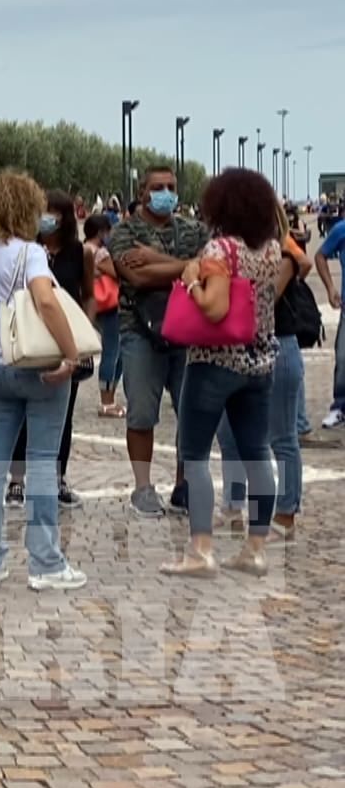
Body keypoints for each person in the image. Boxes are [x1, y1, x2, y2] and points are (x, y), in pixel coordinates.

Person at [0, 172, 87, 591]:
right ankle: (45, 562)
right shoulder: (30, 252)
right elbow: (46, 301)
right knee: (41, 461)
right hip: (36, 365)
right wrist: (71, 353)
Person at [161, 169, 283, 578]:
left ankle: (201, 550)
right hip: (259, 361)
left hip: (215, 361)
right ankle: (256, 548)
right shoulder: (271, 249)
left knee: (195, 455)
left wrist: (191, 282)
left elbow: (214, 308)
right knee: (257, 453)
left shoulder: (220, 249)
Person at [108, 165, 207, 517]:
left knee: (192, 412)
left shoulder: (194, 230)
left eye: (171, 187)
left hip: (189, 332)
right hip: (140, 330)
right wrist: (187, 266)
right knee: (141, 412)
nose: (166, 193)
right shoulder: (124, 232)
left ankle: (184, 485)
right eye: (157, 187)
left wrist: (156, 261)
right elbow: (136, 277)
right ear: (142, 193)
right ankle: (142, 487)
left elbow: (210, 267)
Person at [217, 213, 307, 536]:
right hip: (234, 348)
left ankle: (285, 512)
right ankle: (233, 504)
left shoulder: (283, 256)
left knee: (282, 436)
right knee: (228, 433)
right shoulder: (229, 254)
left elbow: (263, 302)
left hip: (276, 345)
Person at [8, 190, 97, 508]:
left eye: (53, 211)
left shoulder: (80, 252)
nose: (46, 217)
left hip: (65, 341)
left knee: (64, 413)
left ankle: (58, 478)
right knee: (22, 414)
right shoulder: (25, 250)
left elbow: (89, 294)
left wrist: (86, 331)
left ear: (66, 217)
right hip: (31, 339)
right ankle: (16, 481)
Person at [85, 214, 125, 419]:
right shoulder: (100, 253)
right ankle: (107, 402)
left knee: (116, 352)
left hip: (95, 305)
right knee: (112, 352)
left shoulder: (83, 248)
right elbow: (118, 273)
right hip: (109, 305)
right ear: (101, 232)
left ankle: (108, 398)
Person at [316, 216, 345, 431]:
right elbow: (320, 255)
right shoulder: (341, 230)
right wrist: (330, 288)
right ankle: (340, 406)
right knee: (343, 358)